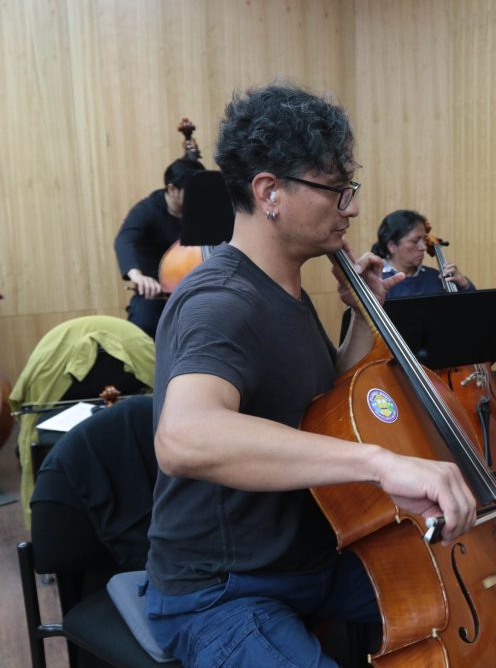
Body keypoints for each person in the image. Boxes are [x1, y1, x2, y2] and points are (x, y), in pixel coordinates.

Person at [143, 83, 476, 668]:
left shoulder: (287, 288)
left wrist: (362, 316)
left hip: (315, 553)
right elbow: (184, 436)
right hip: (223, 588)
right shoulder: (220, 299)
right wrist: (379, 462)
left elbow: (321, 403)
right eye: (337, 191)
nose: (350, 208)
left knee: (471, 586)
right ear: (269, 192)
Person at [114, 157, 206, 337]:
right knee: (143, 326)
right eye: (192, 191)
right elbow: (124, 239)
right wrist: (138, 276)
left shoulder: (203, 210)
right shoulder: (147, 209)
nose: (199, 196)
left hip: (196, 290)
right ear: (172, 189)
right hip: (156, 290)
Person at [372, 209, 475, 298]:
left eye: (424, 240)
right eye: (414, 241)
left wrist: (465, 285)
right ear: (392, 246)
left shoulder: (435, 277)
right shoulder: (376, 280)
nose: (424, 247)